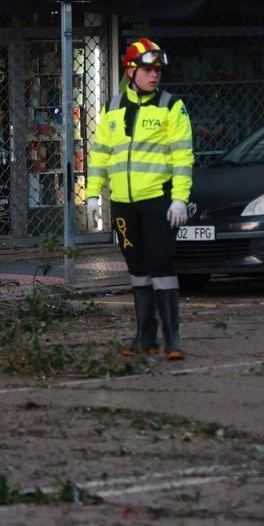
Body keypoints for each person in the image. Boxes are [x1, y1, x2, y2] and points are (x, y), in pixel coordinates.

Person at [85, 38, 193, 360]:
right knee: (137, 268)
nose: (154, 75)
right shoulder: (112, 108)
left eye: (157, 69)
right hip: (123, 204)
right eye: (147, 69)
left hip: (158, 201)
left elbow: (183, 156)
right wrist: (92, 194)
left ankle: (172, 338)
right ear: (130, 70)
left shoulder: (171, 106)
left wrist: (180, 199)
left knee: (162, 265)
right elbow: (100, 155)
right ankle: (145, 337)